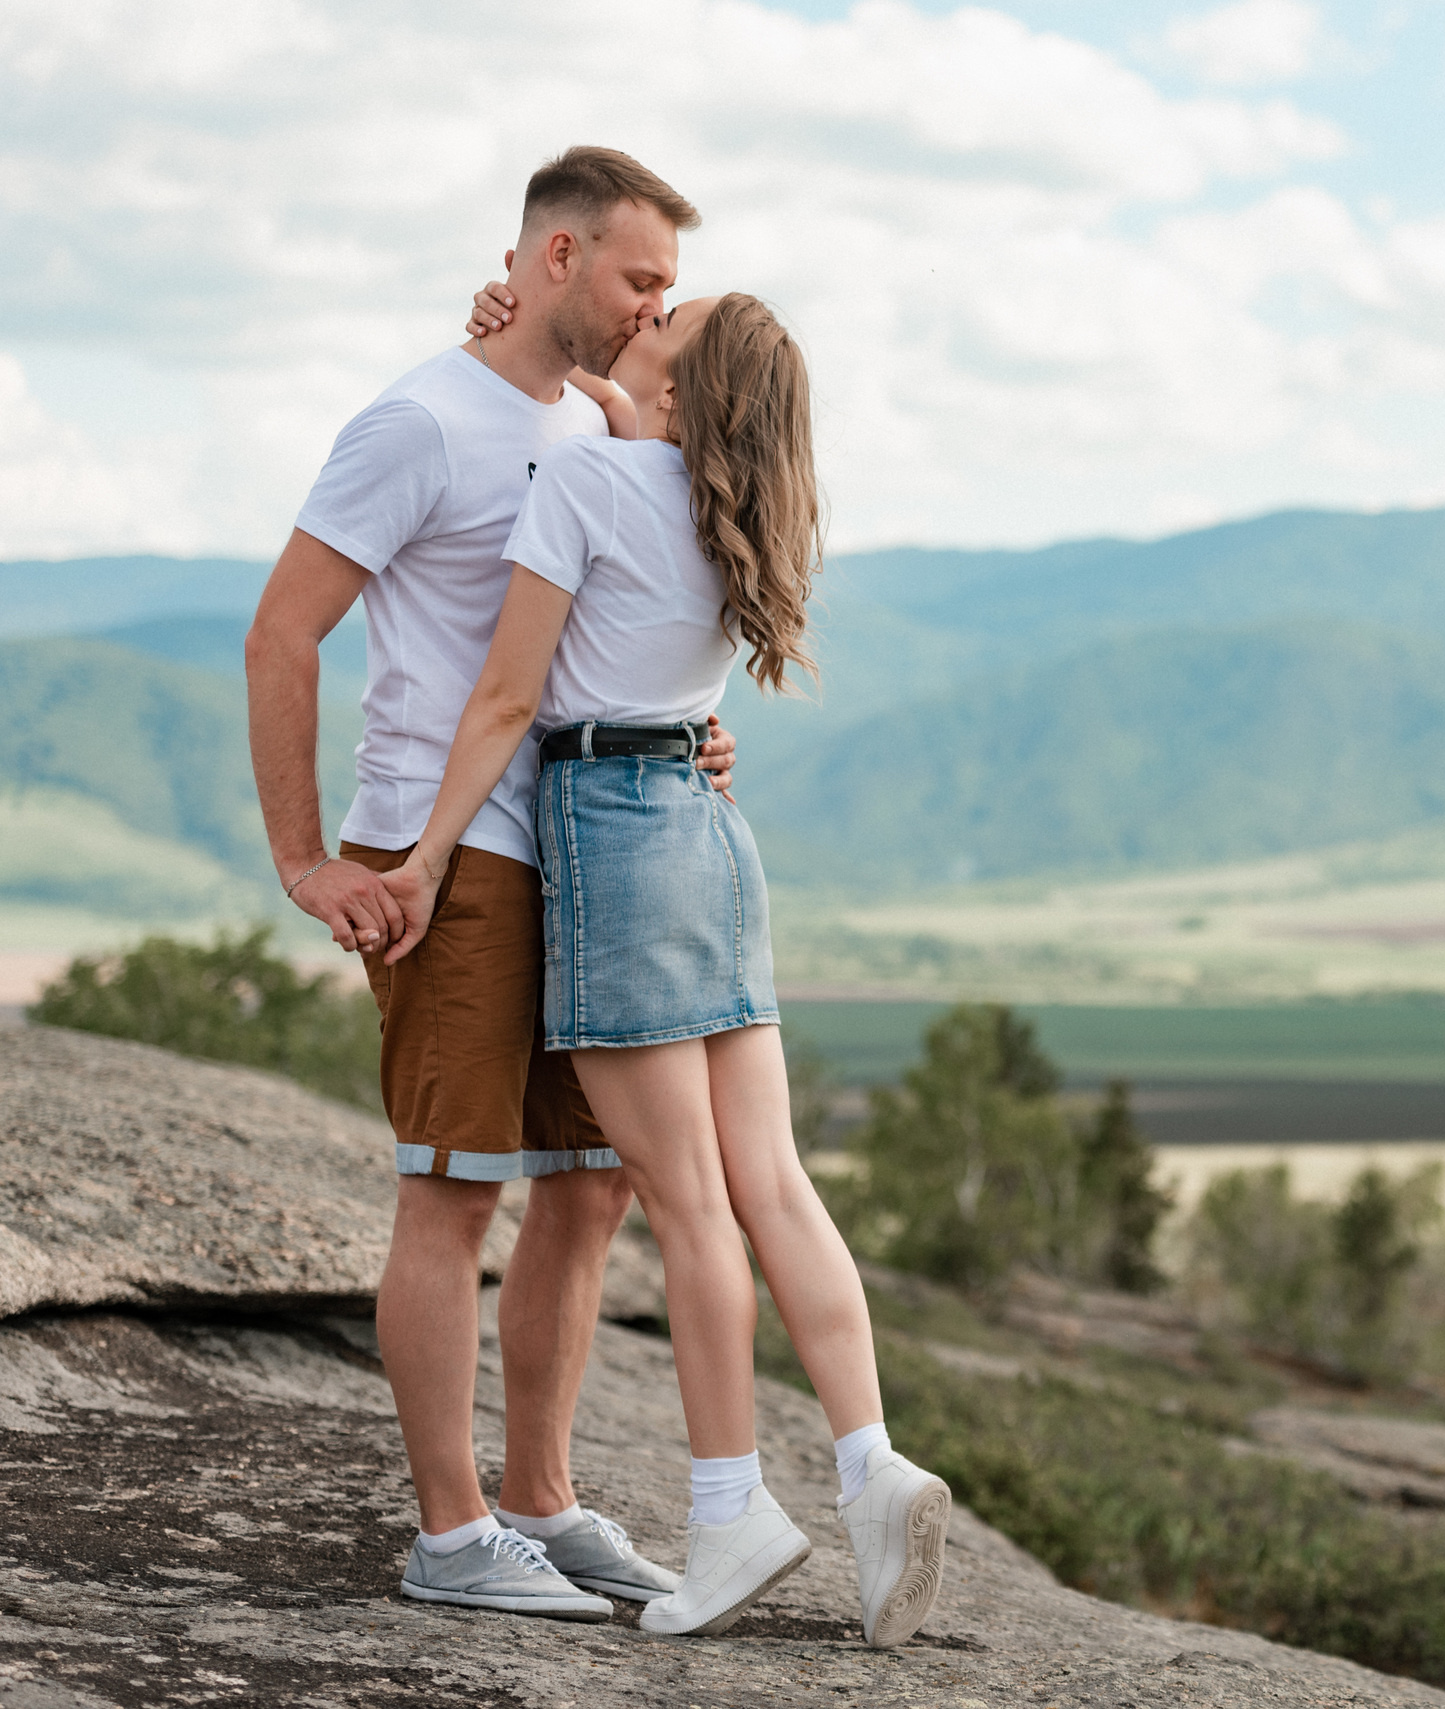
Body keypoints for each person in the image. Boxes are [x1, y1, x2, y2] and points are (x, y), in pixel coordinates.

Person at [377, 290, 951, 1644]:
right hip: (712, 833)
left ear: (684, 391)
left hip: (614, 842)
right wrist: (608, 387)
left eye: (668, 318)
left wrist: (424, 858)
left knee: (689, 1205)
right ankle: (872, 1466)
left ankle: (728, 1510)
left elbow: (507, 695)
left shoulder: (586, 479)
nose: (645, 312)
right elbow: (648, 444)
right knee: (774, 1185)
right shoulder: (728, 504)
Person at [246, 147, 735, 1621]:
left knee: (591, 1189)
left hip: (591, 848)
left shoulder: (603, 421)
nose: (658, 306)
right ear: (558, 255)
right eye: (643, 277)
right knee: (454, 1192)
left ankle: (540, 1500)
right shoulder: (419, 421)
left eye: (668, 286)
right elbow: (282, 633)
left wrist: (685, 731)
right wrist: (305, 858)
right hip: (444, 857)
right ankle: (452, 1536)